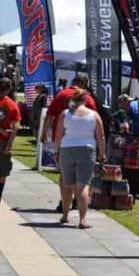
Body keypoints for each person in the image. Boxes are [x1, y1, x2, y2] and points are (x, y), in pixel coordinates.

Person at [41, 75, 96, 211]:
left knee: (64, 174)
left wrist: (43, 132)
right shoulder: (87, 98)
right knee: (82, 176)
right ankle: (77, 200)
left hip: (62, 140)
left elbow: (50, 115)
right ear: (83, 83)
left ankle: (65, 202)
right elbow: (95, 118)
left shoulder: (62, 94)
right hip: (84, 142)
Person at [54, 89, 106, 228]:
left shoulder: (65, 114)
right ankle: (82, 219)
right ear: (86, 100)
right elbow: (100, 136)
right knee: (83, 185)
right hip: (87, 150)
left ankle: (65, 215)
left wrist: (56, 150)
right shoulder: (94, 115)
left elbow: (58, 134)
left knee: (66, 183)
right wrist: (102, 154)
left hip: (67, 148)